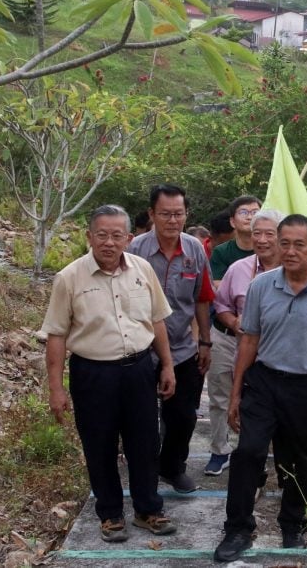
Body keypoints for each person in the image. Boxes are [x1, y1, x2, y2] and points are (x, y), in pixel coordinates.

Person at [214, 214, 307, 561]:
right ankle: (238, 529)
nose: (289, 251)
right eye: (284, 243)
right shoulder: (262, 286)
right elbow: (249, 340)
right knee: (248, 452)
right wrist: (236, 392)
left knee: (299, 459)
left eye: (298, 245)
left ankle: (293, 523)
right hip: (264, 382)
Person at [41, 204, 177, 542]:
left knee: (145, 442)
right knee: (99, 444)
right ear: (89, 236)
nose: (109, 242)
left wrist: (168, 364)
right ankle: (110, 514)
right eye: (101, 235)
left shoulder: (142, 270)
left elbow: (156, 320)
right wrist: (56, 389)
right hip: (93, 374)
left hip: (139, 370)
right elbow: (56, 334)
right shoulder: (69, 277)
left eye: (117, 235)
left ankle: (148, 509)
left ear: (129, 238)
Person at [127, 184, 215, 494]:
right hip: (139, 349)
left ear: (186, 214)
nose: (172, 220)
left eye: (178, 214)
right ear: (152, 214)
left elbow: (202, 299)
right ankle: (145, 472)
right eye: (165, 214)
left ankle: (173, 467)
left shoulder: (194, 249)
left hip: (181, 347)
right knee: (141, 419)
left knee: (184, 417)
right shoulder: (134, 250)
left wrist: (205, 341)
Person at [205, 209, 285, 476]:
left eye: (269, 234)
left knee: (259, 403)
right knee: (220, 396)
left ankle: (253, 455)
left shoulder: (292, 271)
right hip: (229, 340)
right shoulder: (238, 269)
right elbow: (221, 304)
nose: (261, 239)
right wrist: (233, 322)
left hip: (270, 348)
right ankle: (219, 449)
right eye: (256, 233)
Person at [210, 196, 262, 285]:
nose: (249, 217)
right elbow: (217, 283)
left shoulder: (270, 249)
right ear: (232, 222)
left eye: (255, 212)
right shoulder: (221, 252)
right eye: (243, 212)